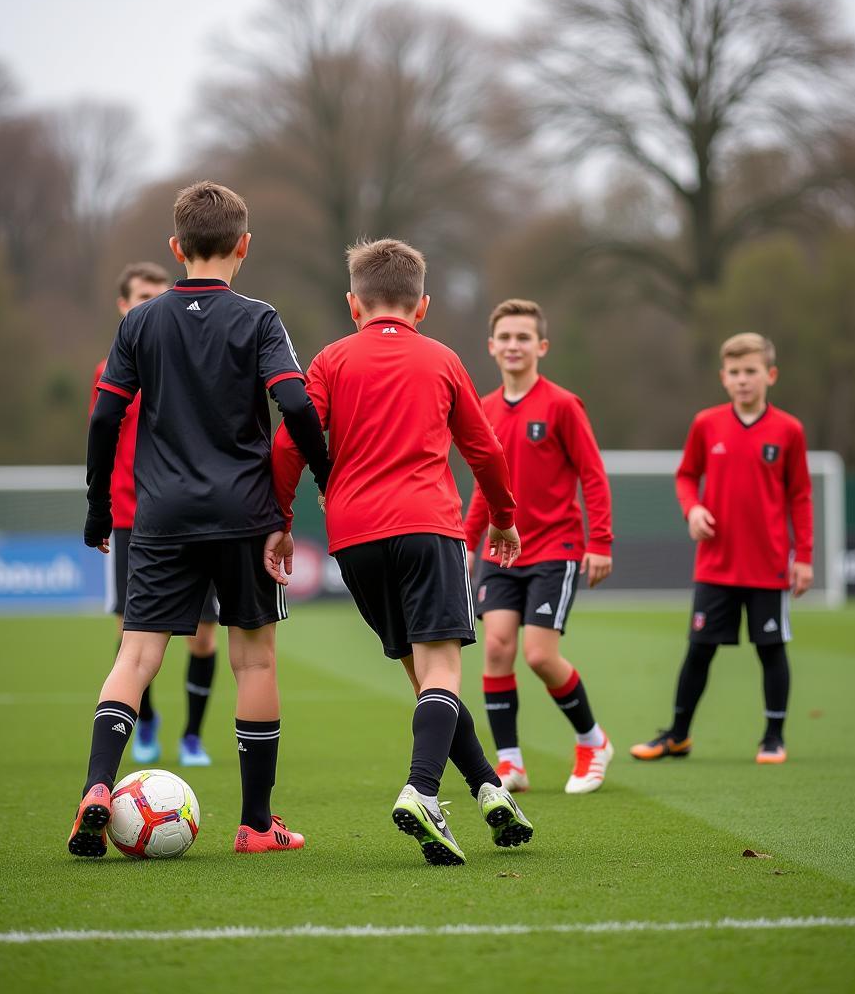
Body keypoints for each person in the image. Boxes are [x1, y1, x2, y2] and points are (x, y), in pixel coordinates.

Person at [69, 181, 331, 858]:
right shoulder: (260, 318)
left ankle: (98, 787)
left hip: (159, 516)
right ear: (244, 245)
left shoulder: (140, 322)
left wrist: (99, 505)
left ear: (175, 248)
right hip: (245, 515)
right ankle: (255, 824)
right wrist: (327, 479)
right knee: (255, 659)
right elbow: (297, 407)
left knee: (136, 656)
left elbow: (104, 418)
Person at [272, 238, 533, 867]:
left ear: (353, 304)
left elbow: (288, 445)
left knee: (425, 680)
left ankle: (490, 791)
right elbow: (487, 452)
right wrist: (502, 517)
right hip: (427, 527)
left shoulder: (332, 359)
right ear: (423, 306)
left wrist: (281, 520)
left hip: (355, 540)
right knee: (442, 672)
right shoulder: (441, 359)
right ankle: (423, 790)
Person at [629, 332, 813, 766]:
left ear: (770, 375)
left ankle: (773, 737)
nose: (743, 380)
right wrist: (692, 510)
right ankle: (677, 735)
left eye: (751, 371)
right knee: (699, 650)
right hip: (715, 566)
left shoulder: (789, 430)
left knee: (771, 650)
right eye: (734, 372)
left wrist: (803, 556)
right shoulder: (706, 424)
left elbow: (801, 496)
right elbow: (686, 475)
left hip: (768, 566)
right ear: (723, 378)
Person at [464, 299, 615, 795]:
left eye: (523, 337)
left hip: (556, 546)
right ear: (491, 346)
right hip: (500, 552)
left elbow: (592, 475)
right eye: (505, 337)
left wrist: (601, 541)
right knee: (496, 647)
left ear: (541, 346)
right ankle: (511, 764)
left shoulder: (563, 405)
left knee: (539, 655)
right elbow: (485, 485)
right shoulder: (483, 409)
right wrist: (467, 542)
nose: (513, 345)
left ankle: (593, 742)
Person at [90, 262, 221, 768]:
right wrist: (98, 507)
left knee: (206, 633)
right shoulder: (112, 371)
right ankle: (145, 723)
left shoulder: (182, 364)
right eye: (140, 295)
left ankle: (192, 735)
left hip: (190, 514)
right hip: (130, 517)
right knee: (132, 635)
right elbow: (102, 437)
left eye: (157, 294)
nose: (148, 302)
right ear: (124, 306)